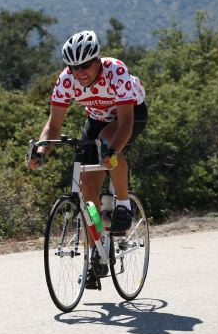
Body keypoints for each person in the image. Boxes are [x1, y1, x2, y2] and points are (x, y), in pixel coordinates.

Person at [28, 30, 147, 288]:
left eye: (85, 65)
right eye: (73, 67)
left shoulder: (115, 71)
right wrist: (41, 151)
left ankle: (124, 205)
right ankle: (98, 252)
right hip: (97, 118)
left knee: (108, 141)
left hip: (131, 114)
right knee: (87, 187)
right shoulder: (66, 80)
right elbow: (53, 126)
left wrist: (112, 151)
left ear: (98, 61)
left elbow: (125, 125)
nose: (79, 72)